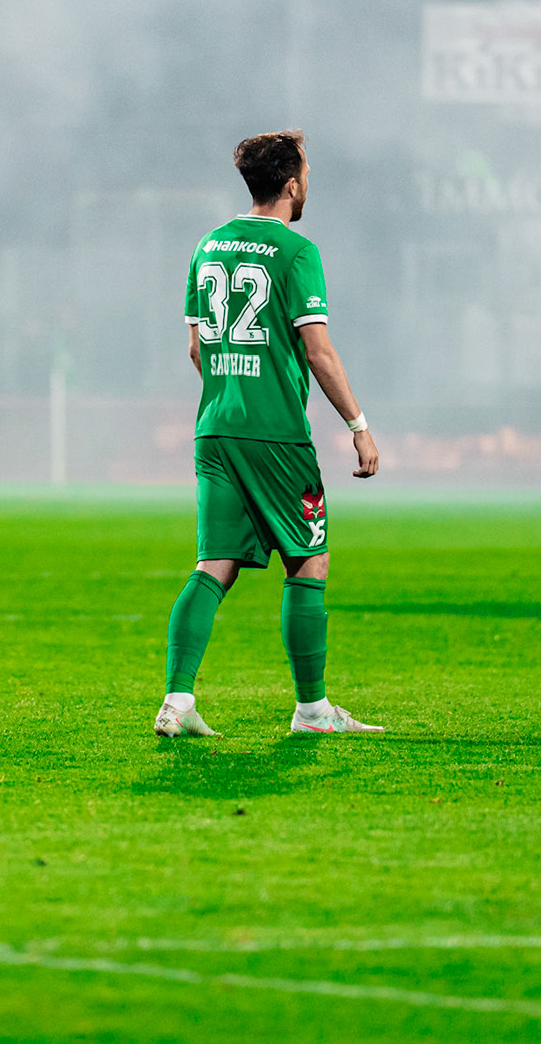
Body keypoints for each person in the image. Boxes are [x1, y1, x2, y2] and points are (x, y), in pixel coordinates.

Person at [155, 130, 383, 739]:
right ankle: (312, 712)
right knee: (309, 562)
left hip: (216, 432)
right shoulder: (296, 252)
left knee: (214, 565)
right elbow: (319, 352)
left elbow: (198, 348)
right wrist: (358, 426)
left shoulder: (207, 247)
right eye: (305, 173)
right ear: (291, 183)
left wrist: (233, 389)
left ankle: (177, 703)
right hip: (276, 437)